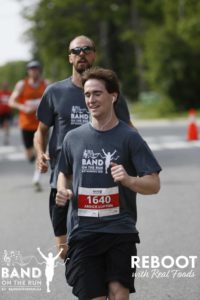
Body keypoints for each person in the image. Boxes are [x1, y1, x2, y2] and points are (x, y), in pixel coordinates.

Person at [55, 67, 162, 299]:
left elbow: (154, 184)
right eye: (87, 94)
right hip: (83, 232)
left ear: (113, 96)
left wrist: (129, 179)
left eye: (97, 93)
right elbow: (64, 171)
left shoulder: (129, 137)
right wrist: (63, 189)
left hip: (119, 230)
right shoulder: (73, 138)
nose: (91, 100)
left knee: (119, 293)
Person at [34, 35, 133, 256]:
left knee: (100, 243)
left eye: (87, 49)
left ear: (94, 55)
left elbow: (128, 129)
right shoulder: (55, 92)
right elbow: (40, 131)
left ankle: (97, 283)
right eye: (76, 51)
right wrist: (40, 153)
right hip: (62, 179)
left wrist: (135, 159)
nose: (81, 54)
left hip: (98, 177)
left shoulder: (109, 92)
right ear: (70, 57)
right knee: (64, 251)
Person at [9, 60, 49, 191]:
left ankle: (36, 179)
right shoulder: (22, 84)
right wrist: (23, 107)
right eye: (31, 69)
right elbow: (11, 101)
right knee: (29, 155)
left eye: (36, 68)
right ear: (28, 71)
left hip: (41, 124)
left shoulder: (46, 84)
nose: (34, 71)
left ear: (40, 70)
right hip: (26, 124)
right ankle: (32, 159)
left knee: (40, 152)